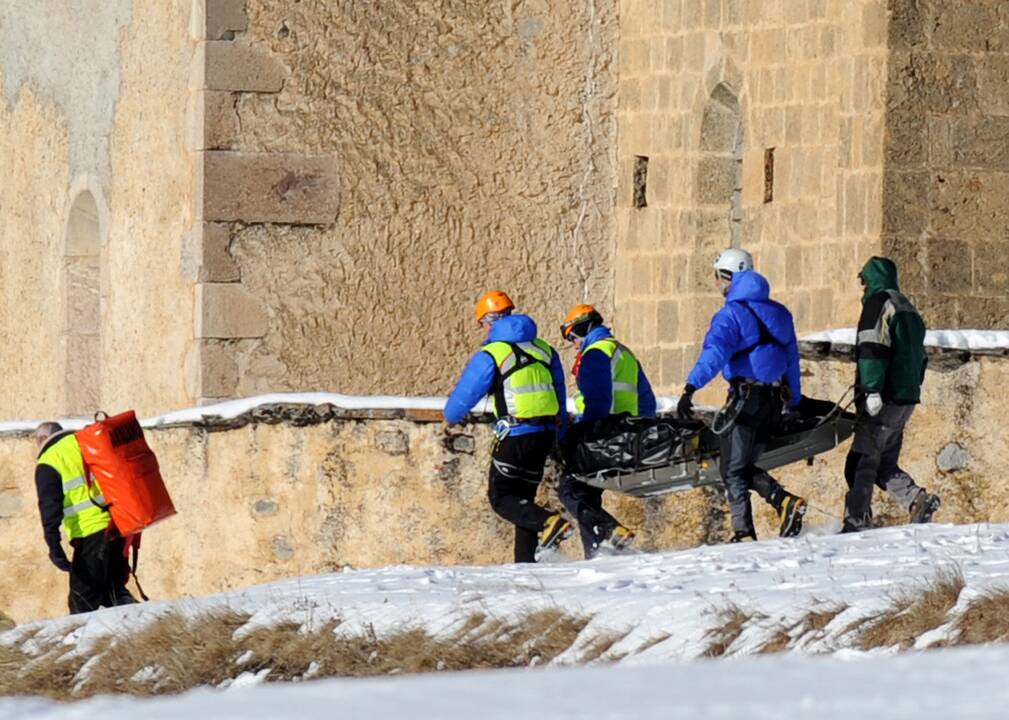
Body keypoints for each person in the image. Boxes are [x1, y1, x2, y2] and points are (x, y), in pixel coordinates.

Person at [677, 248, 807, 542]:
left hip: (745, 400)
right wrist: (795, 401)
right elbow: (792, 362)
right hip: (774, 402)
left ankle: (745, 531)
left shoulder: (730, 315)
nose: (715, 284)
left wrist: (690, 388)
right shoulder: (780, 313)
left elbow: (715, 353)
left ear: (729, 278)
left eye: (717, 277)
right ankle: (785, 503)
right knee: (744, 465)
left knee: (732, 469)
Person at [444, 291, 573, 563]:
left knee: (502, 498)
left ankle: (550, 523)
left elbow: (466, 394)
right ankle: (525, 564)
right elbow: (559, 393)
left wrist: (450, 417)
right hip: (545, 433)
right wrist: (560, 432)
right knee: (523, 498)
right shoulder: (544, 349)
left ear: (489, 321)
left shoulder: (493, 353)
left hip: (515, 434)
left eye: (482, 323)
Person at [842, 257, 940, 532]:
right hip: (905, 398)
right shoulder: (906, 306)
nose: (862, 289)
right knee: (884, 462)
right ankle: (917, 500)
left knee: (861, 462)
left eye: (864, 282)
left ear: (871, 280)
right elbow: (919, 357)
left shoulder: (879, 304)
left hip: (883, 397)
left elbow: (873, 348)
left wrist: (872, 389)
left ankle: (856, 522)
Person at [557, 304, 656, 558]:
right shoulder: (623, 352)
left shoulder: (596, 353)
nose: (574, 343)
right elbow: (647, 401)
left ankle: (612, 531)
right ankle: (596, 553)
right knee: (587, 494)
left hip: (602, 432)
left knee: (570, 489)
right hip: (627, 433)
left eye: (572, 336)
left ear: (582, 327)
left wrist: (583, 434)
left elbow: (597, 401)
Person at [34, 421, 136, 614]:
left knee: (82, 601)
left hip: (91, 534)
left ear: (41, 439)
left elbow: (49, 508)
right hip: (119, 526)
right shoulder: (86, 443)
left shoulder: (49, 460)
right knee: (113, 592)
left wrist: (54, 546)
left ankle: (80, 642)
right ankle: (140, 632)